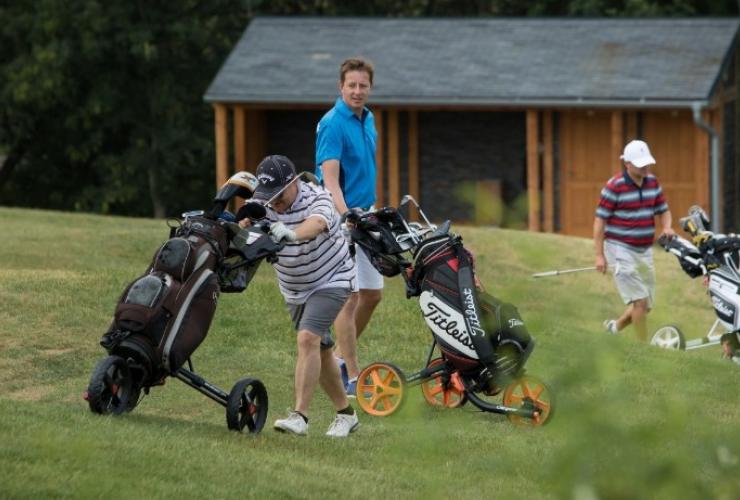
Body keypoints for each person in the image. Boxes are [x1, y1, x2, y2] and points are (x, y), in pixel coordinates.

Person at [239, 154, 359, 437]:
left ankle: (300, 417)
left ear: (293, 182)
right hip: (294, 288)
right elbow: (244, 227)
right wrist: (242, 228)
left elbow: (316, 224)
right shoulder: (264, 202)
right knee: (321, 350)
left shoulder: (319, 197)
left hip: (333, 278)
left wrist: (291, 234)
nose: (275, 203)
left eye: (279, 195)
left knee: (307, 339)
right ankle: (346, 415)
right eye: (270, 196)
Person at [315, 57, 383, 396]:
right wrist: (346, 217)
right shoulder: (332, 123)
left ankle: (338, 360)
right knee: (350, 297)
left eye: (363, 85)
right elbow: (330, 182)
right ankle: (354, 378)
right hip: (340, 218)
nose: (357, 91)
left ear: (370, 87)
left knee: (372, 294)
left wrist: (369, 213)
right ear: (340, 86)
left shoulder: (368, 119)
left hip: (366, 216)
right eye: (351, 85)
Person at [593, 139, 675, 341]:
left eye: (647, 163)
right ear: (627, 163)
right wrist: (599, 255)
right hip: (619, 248)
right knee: (640, 301)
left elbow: (664, 210)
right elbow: (600, 221)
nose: (645, 167)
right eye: (640, 164)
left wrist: (666, 226)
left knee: (646, 305)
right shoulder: (614, 186)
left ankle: (614, 328)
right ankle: (642, 348)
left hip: (644, 250)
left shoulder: (652, 182)